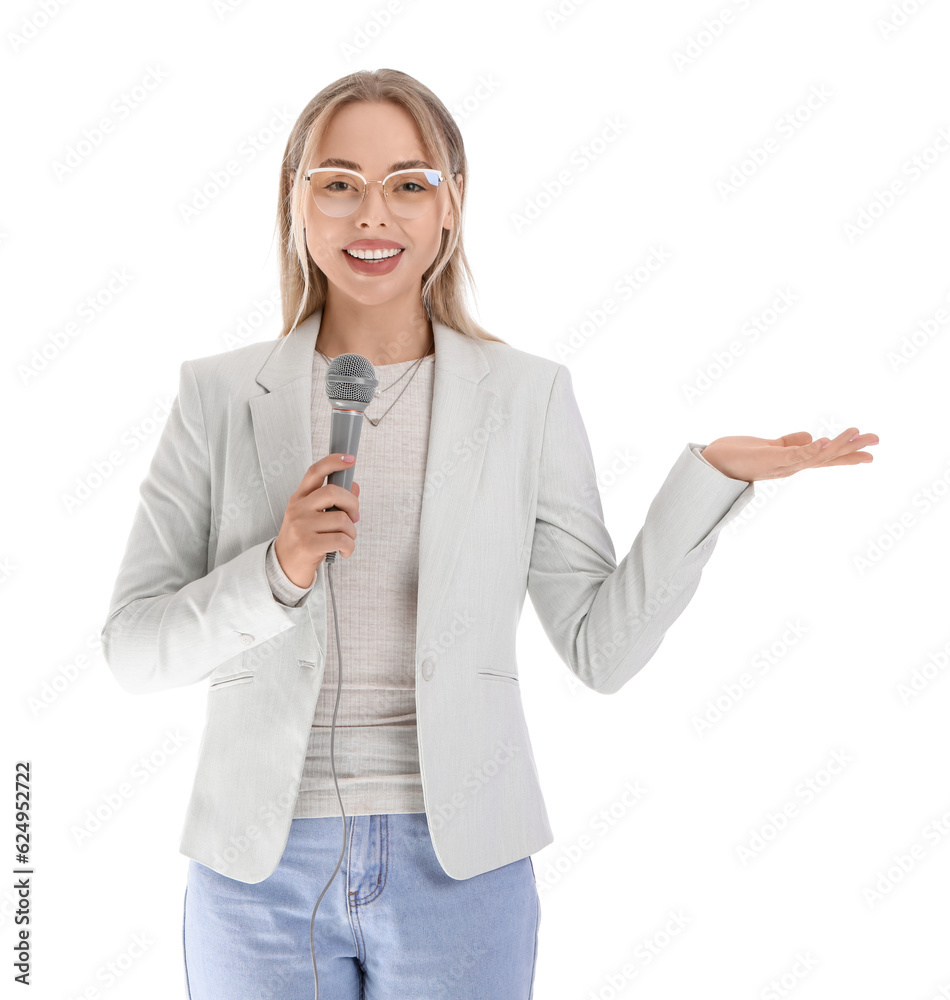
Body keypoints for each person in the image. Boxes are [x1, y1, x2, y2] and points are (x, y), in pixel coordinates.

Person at [100, 69, 879, 1000]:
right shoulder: (219, 396)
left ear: (450, 207)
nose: (372, 215)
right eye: (338, 182)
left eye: (409, 183)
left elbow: (600, 649)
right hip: (256, 872)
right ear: (295, 203)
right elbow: (132, 650)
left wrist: (710, 477)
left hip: (460, 864)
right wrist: (276, 568)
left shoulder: (524, 397)